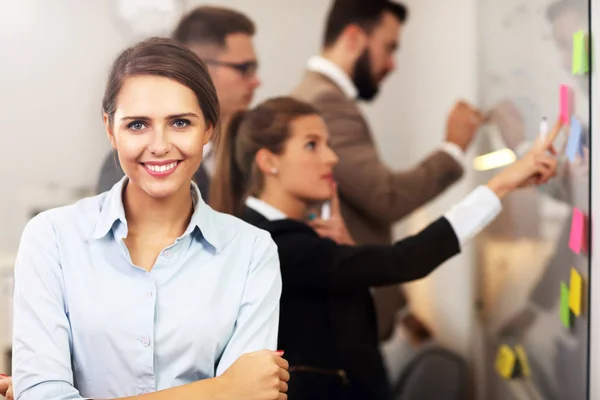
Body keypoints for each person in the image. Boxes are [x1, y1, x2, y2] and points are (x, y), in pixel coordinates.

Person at [210, 96, 561, 400]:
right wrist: (501, 185)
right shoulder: (279, 245)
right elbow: (405, 260)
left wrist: (344, 250)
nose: (332, 158)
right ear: (269, 162)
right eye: (312, 145)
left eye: (328, 144)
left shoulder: (276, 236)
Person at [11, 38, 288, 400]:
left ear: (208, 127)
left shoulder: (252, 251)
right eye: (138, 125)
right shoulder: (51, 238)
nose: (159, 145)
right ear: (110, 128)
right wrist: (222, 389)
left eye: (180, 122)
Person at [290, 0, 485, 342]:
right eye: (389, 47)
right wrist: (453, 148)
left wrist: (401, 306)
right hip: (346, 320)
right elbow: (385, 197)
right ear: (353, 38)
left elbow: (358, 219)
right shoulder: (326, 103)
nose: (392, 64)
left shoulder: (318, 96)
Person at [95, 6, 261, 197]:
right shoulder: (126, 170)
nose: (256, 81)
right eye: (244, 68)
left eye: (180, 123)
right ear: (199, 68)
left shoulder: (244, 152)